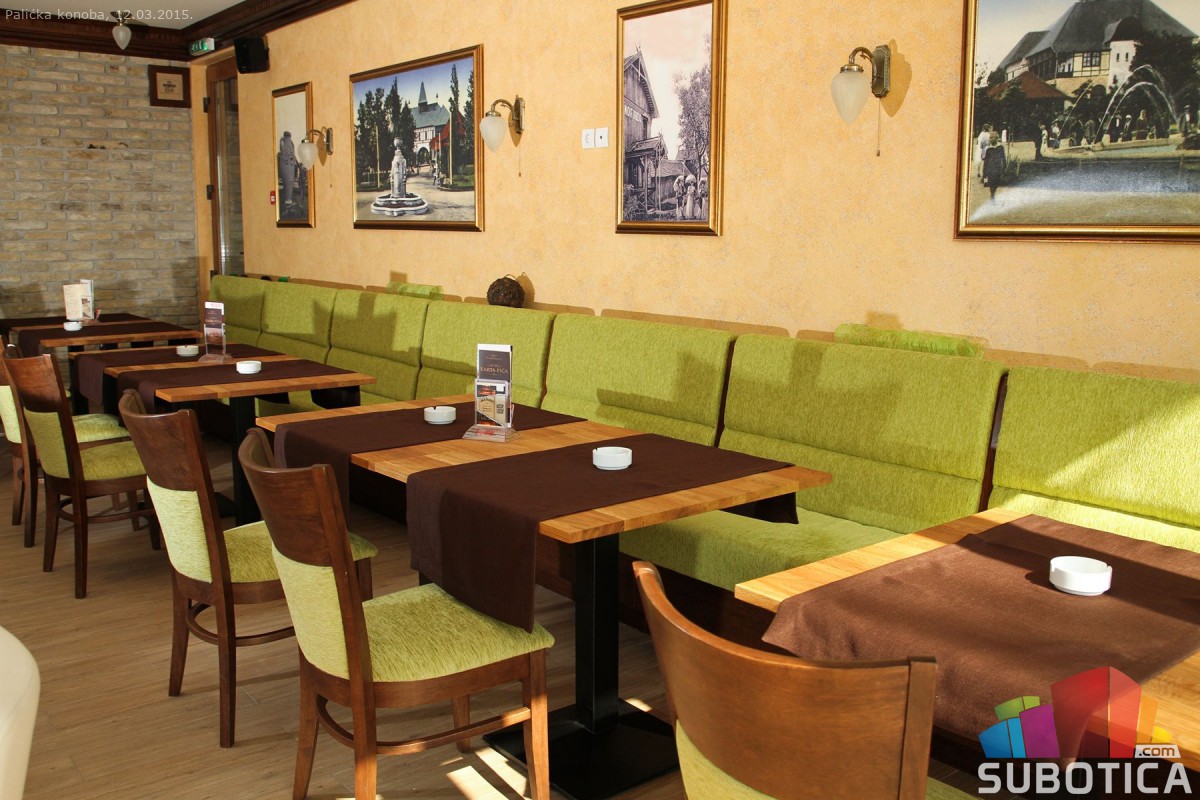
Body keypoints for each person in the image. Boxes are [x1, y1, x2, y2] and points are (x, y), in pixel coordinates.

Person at [981, 131, 1006, 200]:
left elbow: (1003, 158)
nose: (990, 139)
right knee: (991, 183)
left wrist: (1004, 167)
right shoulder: (988, 149)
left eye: (992, 138)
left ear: (996, 138)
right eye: (990, 138)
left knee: (996, 182)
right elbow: (986, 161)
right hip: (991, 169)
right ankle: (992, 195)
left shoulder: (1000, 147)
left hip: (998, 168)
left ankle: (993, 192)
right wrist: (984, 173)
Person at [278, 131, 297, 208]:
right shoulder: (285, 143)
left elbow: (292, 155)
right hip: (287, 166)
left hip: (290, 166)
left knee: (290, 181)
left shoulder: (290, 144)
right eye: (288, 136)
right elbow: (286, 155)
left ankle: (289, 199)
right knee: (287, 181)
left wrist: (293, 160)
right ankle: (287, 200)